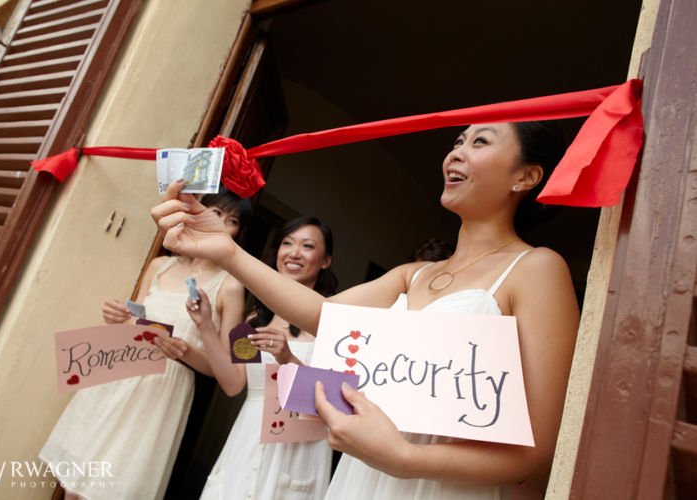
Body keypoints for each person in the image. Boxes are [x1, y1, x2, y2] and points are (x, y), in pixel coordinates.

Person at [151, 121, 580, 499]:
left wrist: (403, 457)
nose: (456, 151)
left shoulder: (537, 269)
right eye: (458, 140)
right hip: (359, 478)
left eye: (480, 142)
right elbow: (323, 316)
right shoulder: (411, 275)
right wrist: (226, 252)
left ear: (526, 176)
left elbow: (536, 451)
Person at [39, 190, 251, 500]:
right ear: (196, 212)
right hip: (119, 377)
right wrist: (119, 317)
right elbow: (135, 322)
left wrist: (187, 351)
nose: (221, 224)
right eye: (217, 212)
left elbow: (228, 374)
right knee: (75, 487)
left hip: (160, 393)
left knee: (113, 488)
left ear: (237, 233)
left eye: (232, 221)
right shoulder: (160, 266)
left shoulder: (230, 286)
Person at [163, 216, 338, 500]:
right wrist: (206, 324)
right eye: (287, 243)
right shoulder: (254, 318)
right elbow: (233, 383)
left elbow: (333, 401)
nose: (294, 253)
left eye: (307, 246)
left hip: (299, 447)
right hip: (248, 437)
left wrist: (287, 359)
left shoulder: (331, 321)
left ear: (326, 260)